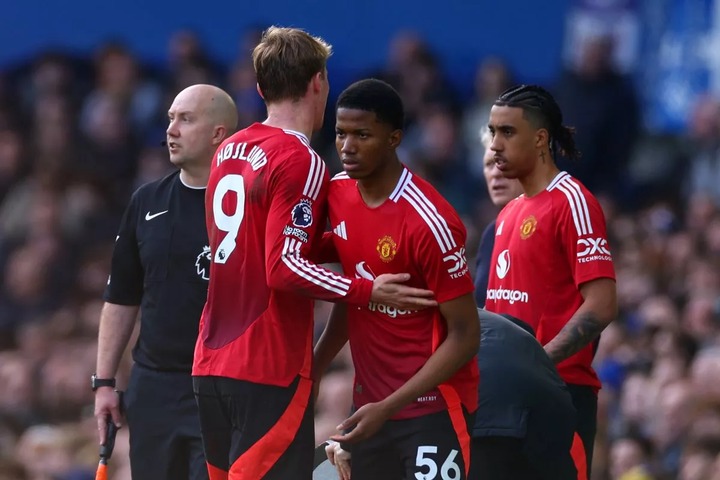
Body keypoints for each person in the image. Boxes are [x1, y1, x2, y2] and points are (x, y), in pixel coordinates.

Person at [191, 28, 436, 480]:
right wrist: (367, 290)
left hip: (210, 362)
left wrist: (347, 241)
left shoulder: (229, 149)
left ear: (261, 88)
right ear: (319, 82)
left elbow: (259, 241)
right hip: (265, 366)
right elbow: (282, 267)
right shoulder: (300, 159)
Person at [313, 78, 480, 479]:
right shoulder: (336, 193)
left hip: (433, 410)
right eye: (340, 133)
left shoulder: (428, 222)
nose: (347, 146)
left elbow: (466, 334)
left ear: (394, 138)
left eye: (362, 135)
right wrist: (312, 370)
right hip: (369, 408)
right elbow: (354, 298)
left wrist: (389, 406)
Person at [93, 84, 238, 480]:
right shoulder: (146, 201)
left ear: (218, 133)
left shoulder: (248, 207)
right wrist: (104, 383)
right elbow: (121, 297)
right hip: (152, 387)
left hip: (222, 388)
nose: (171, 129)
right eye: (171, 118)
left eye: (185, 119)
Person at [484, 84, 618, 477]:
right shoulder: (508, 213)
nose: (495, 145)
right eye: (492, 132)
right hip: (501, 395)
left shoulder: (572, 201)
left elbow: (602, 304)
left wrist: (536, 362)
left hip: (557, 394)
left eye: (507, 132)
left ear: (540, 139)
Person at [324, 309, 582, 480]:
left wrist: (348, 440)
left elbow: (382, 383)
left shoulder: (400, 325)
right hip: (550, 403)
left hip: (485, 401)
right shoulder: (487, 319)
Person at [474, 127, 523, 306]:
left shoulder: (554, 221)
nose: (495, 173)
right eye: (488, 164)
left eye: (502, 161)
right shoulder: (490, 235)